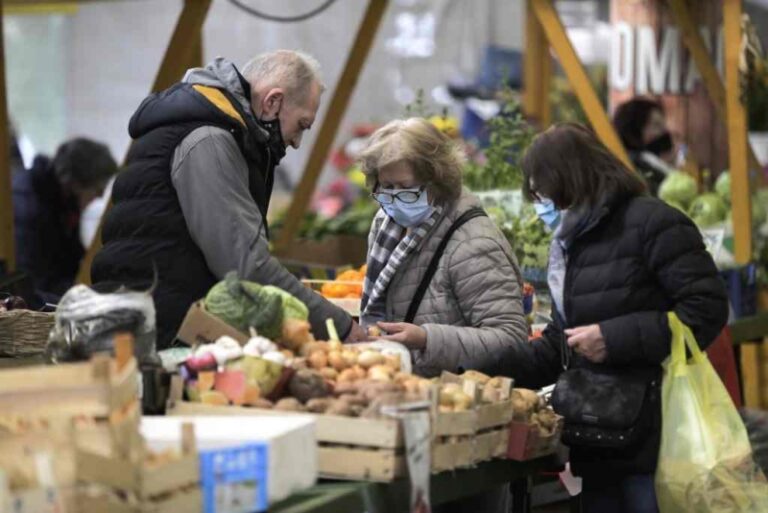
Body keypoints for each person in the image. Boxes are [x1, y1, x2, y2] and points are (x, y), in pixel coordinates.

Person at [502, 123, 728, 513]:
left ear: (571, 180)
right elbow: (562, 340)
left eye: (544, 194)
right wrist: (489, 370)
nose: (541, 206)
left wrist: (614, 337)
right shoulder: (571, 244)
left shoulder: (654, 223)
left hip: (657, 441)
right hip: (598, 437)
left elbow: (706, 309)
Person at [92, 51, 366, 349]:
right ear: (273, 101)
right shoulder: (209, 140)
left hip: (151, 319)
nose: (297, 142)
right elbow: (246, 267)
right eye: (301, 124)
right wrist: (338, 325)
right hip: (162, 332)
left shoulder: (212, 129)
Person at [359, 117, 528, 512]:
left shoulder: (474, 243)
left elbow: (510, 338)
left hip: (462, 432)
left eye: (405, 189)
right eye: (385, 187)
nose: (393, 198)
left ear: (436, 182)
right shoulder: (388, 225)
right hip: (414, 420)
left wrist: (426, 339)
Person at [13, 138, 117, 302]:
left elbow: (71, 261)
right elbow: (33, 284)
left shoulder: (61, 202)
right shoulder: (29, 210)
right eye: (97, 190)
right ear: (75, 183)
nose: (100, 196)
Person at [613, 97, 676, 195]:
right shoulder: (641, 166)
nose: (664, 132)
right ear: (634, 131)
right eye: (656, 125)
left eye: (663, 125)